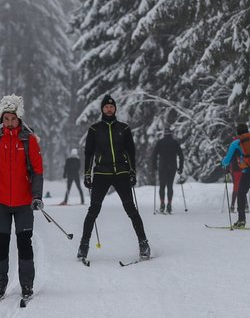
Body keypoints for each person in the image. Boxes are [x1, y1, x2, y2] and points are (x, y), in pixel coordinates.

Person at [0, 94, 44, 300]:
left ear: (19, 118)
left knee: (24, 244)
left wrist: (37, 196)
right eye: (6, 118)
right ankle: (0, 285)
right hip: (0, 203)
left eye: (13, 118)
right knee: (1, 244)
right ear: (1, 119)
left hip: (24, 203)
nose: (10, 122)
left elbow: (37, 172)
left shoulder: (29, 141)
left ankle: (27, 285)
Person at [77, 94, 150, 261]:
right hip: (101, 173)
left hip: (121, 173)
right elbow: (88, 153)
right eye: (106, 107)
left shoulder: (123, 129)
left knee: (131, 209)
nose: (109, 109)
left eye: (111, 107)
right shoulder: (94, 129)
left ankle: (143, 243)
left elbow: (130, 151)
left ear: (115, 109)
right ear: (102, 109)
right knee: (93, 211)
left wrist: (132, 171)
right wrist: (87, 174)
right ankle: (83, 245)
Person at [152, 129, 184, 213]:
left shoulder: (160, 142)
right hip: (172, 167)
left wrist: (154, 166)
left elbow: (154, 155)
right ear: (171, 134)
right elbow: (181, 155)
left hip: (162, 167)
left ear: (164, 134)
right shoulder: (175, 142)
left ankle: (162, 204)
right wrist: (180, 168)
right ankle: (169, 205)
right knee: (170, 186)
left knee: (162, 186)